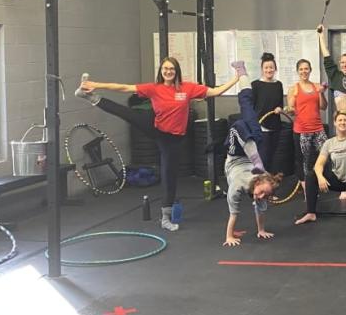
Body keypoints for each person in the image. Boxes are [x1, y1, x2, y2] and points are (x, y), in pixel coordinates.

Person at [75, 57, 238, 232]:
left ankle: (165, 218)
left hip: (172, 140)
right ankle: (91, 97)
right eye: (165, 69)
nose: (168, 72)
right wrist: (97, 84)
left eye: (172, 69)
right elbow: (124, 87)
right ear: (161, 71)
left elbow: (215, 92)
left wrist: (236, 78)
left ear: (176, 71)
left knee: (169, 175)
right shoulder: (154, 88)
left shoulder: (188, 88)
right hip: (155, 128)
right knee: (128, 113)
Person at [222, 63, 277, 245]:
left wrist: (230, 235)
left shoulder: (238, 187)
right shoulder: (262, 182)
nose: (260, 196)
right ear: (260, 181)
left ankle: (256, 159)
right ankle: (242, 72)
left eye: (263, 195)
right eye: (262, 193)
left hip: (234, 158)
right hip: (251, 153)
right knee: (247, 106)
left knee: (238, 126)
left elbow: (233, 213)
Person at [287, 58, 328, 226]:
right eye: (301, 69)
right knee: (305, 163)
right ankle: (308, 193)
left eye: (306, 69)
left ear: (310, 70)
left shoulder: (316, 86)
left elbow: (324, 107)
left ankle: (329, 186)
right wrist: (288, 106)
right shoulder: (294, 89)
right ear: (298, 71)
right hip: (302, 130)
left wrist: (321, 92)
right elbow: (290, 109)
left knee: (327, 156)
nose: (304, 71)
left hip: (318, 129)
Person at [249, 52, 284, 173]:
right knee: (262, 157)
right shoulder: (255, 85)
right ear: (262, 69)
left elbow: (280, 103)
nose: (269, 70)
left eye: (271, 67)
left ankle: (269, 184)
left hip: (275, 125)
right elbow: (251, 106)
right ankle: (259, 183)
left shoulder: (278, 84)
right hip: (261, 126)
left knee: (272, 156)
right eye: (266, 67)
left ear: (275, 69)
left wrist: (280, 108)